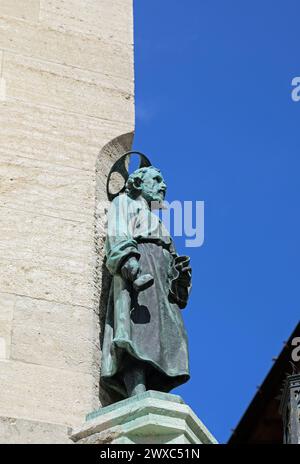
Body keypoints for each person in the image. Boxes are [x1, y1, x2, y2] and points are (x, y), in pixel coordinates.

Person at [100, 165, 191, 398]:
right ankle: (136, 389)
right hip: (140, 271)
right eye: (157, 179)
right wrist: (130, 265)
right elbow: (118, 233)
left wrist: (179, 276)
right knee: (139, 330)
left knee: (167, 335)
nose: (164, 185)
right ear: (139, 184)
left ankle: (156, 387)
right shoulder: (124, 204)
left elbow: (172, 258)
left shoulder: (159, 223)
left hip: (161, 281)